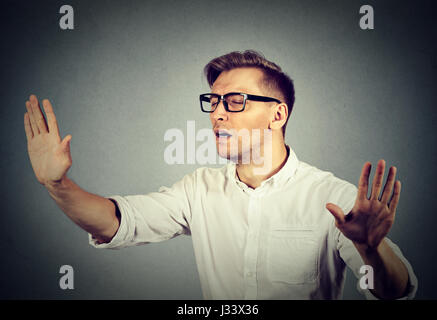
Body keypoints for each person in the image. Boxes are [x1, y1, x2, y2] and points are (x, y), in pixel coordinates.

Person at [24, 50, 417, 300]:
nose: (217, 113)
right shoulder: (198, 190)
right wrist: (57, 185)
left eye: (234, 101)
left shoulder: (333, 198)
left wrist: (370, 249)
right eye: (212, 101)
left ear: (277, 114)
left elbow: (394, 291)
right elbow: (114, 221)